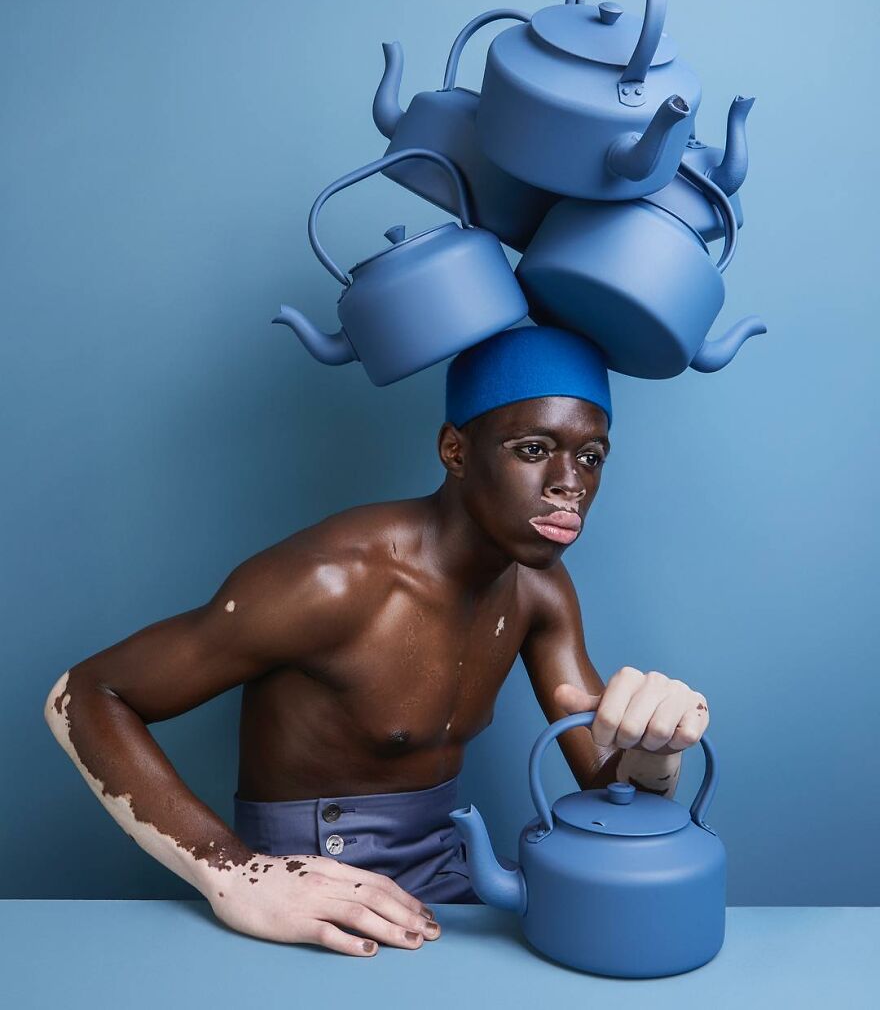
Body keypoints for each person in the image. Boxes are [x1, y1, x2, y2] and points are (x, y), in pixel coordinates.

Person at [44, 325, 710, 958]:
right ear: (455, 451)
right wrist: (235, 873)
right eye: (533, 450)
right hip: (311, 896)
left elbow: (609, 787)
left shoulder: (541, 589)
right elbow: (84, 694)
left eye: (591, 458)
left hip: (450, 886)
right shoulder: (333, 580)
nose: (571, 483)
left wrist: (655, 747)